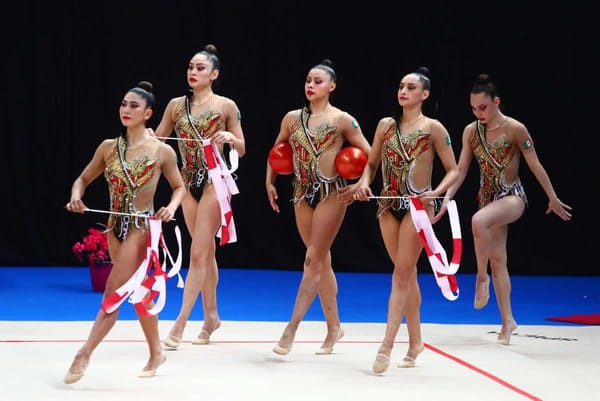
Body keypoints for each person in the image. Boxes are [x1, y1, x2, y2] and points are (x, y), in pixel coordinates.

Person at [433, 73, 572, 345]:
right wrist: (446, 196)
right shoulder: (471, 132)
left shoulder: (515, 129)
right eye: (473, 109)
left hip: (512, 197)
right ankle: (508, 321)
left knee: (477, 221)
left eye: (483, 107)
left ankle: (480, 277)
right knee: (499, 261)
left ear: (496, 101)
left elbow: (535, 164)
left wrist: (552, 198)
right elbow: (460, 171)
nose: (478, 113)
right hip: (487, 198)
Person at [63, 81, 187, 383]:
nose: (126, 109)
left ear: (148, 113)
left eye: (134, 105)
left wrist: (171, 208)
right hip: (113, 228)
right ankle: (157, 351)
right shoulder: (108, 147)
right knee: (140, 293)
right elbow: (82, 178)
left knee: (114, 292)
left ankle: (84, 354)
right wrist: (76, 196)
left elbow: (179, 187)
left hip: (141, 228)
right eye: (123, 104)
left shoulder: (162, 151)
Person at [340, 67, 458, 373]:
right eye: (401, 86)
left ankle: (387, 345)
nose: (403, 91)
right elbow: (372, 163)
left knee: (402, 275)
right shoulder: (385, 126)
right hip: (387, 204)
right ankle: (416, 341)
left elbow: (453, 170)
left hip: (418, 207)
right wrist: (365, 182)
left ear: (425, 94)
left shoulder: (434, 128)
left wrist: (438, 192)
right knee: (404, 274)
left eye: (410, 87)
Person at [266, 59, 371, 355]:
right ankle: (334, 327)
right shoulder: (291, 118)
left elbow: (370, 155)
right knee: (321, 262)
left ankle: (291, 329)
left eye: (318, 81)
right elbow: (277, 151)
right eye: (308, 80)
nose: (311, 85)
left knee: (312, 261)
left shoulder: (342, 120)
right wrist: (270, 182)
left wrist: (362, 183)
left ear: (332, 87)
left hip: (331, 195)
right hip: (301, 194)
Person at [151, 44, 246, 349]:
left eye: (200, 68)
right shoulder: (176, 105)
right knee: (205, 254)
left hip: (214, 183)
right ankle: (211, 317)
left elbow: (242, 148)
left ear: (214, 74)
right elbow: (161, 140)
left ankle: (179, 324)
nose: (193, 72)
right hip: (187, 182)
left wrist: (231, 138)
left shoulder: (225, 106)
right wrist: (149, 137)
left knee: (196, 255)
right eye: (191, 67)